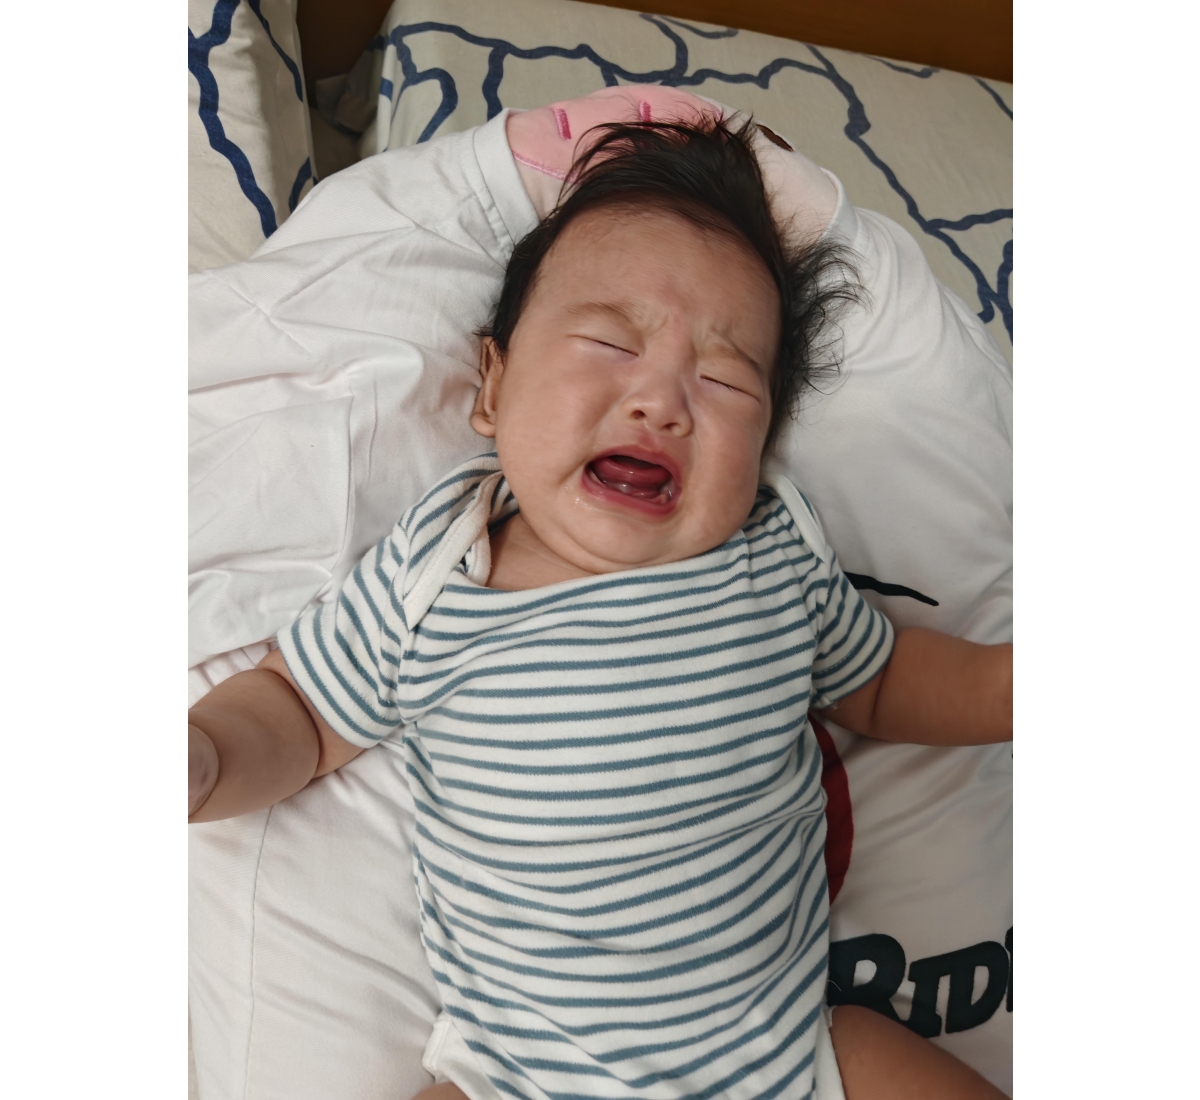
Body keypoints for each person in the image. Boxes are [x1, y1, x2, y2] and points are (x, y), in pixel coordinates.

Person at [188, 118, 1010, 1100]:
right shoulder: (440, 564)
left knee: (887, 1060)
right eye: (611, 341)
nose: (662, 399)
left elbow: (882, 681)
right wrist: (210, 753)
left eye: (725, 378)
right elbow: (299, 707)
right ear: (493, 387)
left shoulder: (769, 554)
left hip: (781, 1057)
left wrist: (1008, 686)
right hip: (519, 1071)